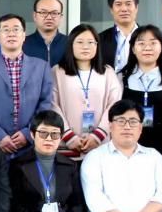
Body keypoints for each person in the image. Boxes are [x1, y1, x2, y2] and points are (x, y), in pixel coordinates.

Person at [0, 14, 54, 158]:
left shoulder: (41, 67)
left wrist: (28, 133)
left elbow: (46, 103)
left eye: (16, 29)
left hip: (31, 145)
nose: (11, 34)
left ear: (24, 36)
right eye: (6, 30)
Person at [118, 25, 162, 182]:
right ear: (133, 49)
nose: (147, 48)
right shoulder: (121, 78)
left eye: (153, 43)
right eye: (141, 43)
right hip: (129, 147)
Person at [51, 24, 123, 160]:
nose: (85, 47)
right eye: (80, 42)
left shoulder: (108, 72)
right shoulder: (58, 71)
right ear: (71, 45)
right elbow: (52, 105)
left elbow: (115, 105)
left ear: (97, 46)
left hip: (100, 146)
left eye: (91, 42)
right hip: (67, 147)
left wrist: (98, 135)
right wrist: (69, 136)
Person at [99, 0, 140, 70]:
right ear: (111, 9)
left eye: (128, 4)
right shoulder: (100, 39)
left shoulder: (150, 37)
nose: (124, 9)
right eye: (118, 4)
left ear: (136, 8)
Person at [22, 0, 67, 66]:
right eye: (43, 12)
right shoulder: (22, 44)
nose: (49, 17)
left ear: (61, 17)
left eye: (54, 13)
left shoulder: (71, 44)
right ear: (34, 16)